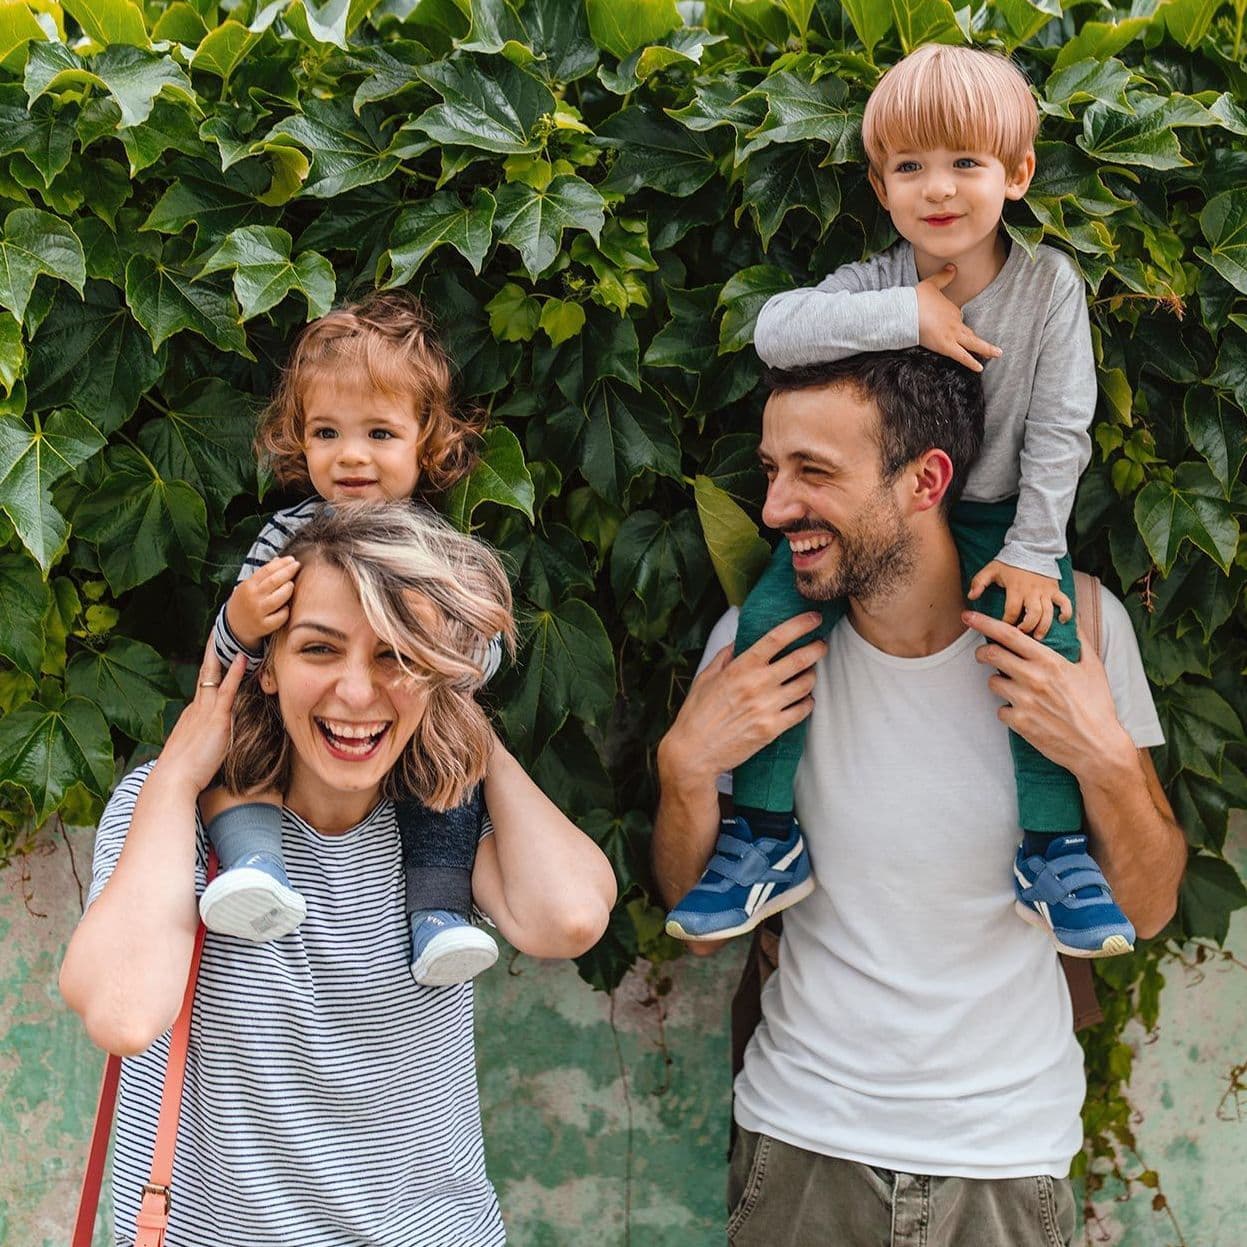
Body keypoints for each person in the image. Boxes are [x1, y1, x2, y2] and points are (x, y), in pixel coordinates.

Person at [652, 350, 1186, 1246]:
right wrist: (683, 770)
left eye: (813, 473)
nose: (776, 508)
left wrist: (1101, 758)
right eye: (772, 472)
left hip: (1008, 1160)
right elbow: (699, 923)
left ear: (924, 480)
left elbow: (1148, 904)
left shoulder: (1079, 628)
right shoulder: (758, 650)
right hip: (800, 1148)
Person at [666, 44, 1125, 957]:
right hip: (881, 512)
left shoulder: (1046, 287)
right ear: (881, 188)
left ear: (1017, 174)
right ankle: (761, 833)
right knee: (769, 618)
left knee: (1042, 642)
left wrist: (1036, 549)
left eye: (965, 163)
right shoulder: (877, 282)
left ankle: (1056, 849)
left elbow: (1061, 427)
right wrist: (907, 317)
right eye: (909, 167)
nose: (938, 189)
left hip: (999, 516)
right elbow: (774, 329)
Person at [60, 502, 617, 1247]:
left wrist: (461, 724)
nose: (357, 693)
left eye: (395, 656)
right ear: (267, 668)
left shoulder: (443, 819)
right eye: (320, 649)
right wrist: (174, 775)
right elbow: (122, 1012)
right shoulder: (176, 810)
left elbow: (571, 915)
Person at [201, 289, 503, 987]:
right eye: (326, 433)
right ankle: (255, 866)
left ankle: (436, 915)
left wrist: (445, 655)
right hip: (299, 739)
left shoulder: (437, 550)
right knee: (237, 744)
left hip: (410, 731)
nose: (350, 456)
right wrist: (241, 621)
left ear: (426, 442)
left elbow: (484, 657)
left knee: (456, 770)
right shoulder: (283, 538)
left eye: (379, 433)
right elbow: (229, 661)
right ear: (298, 439)